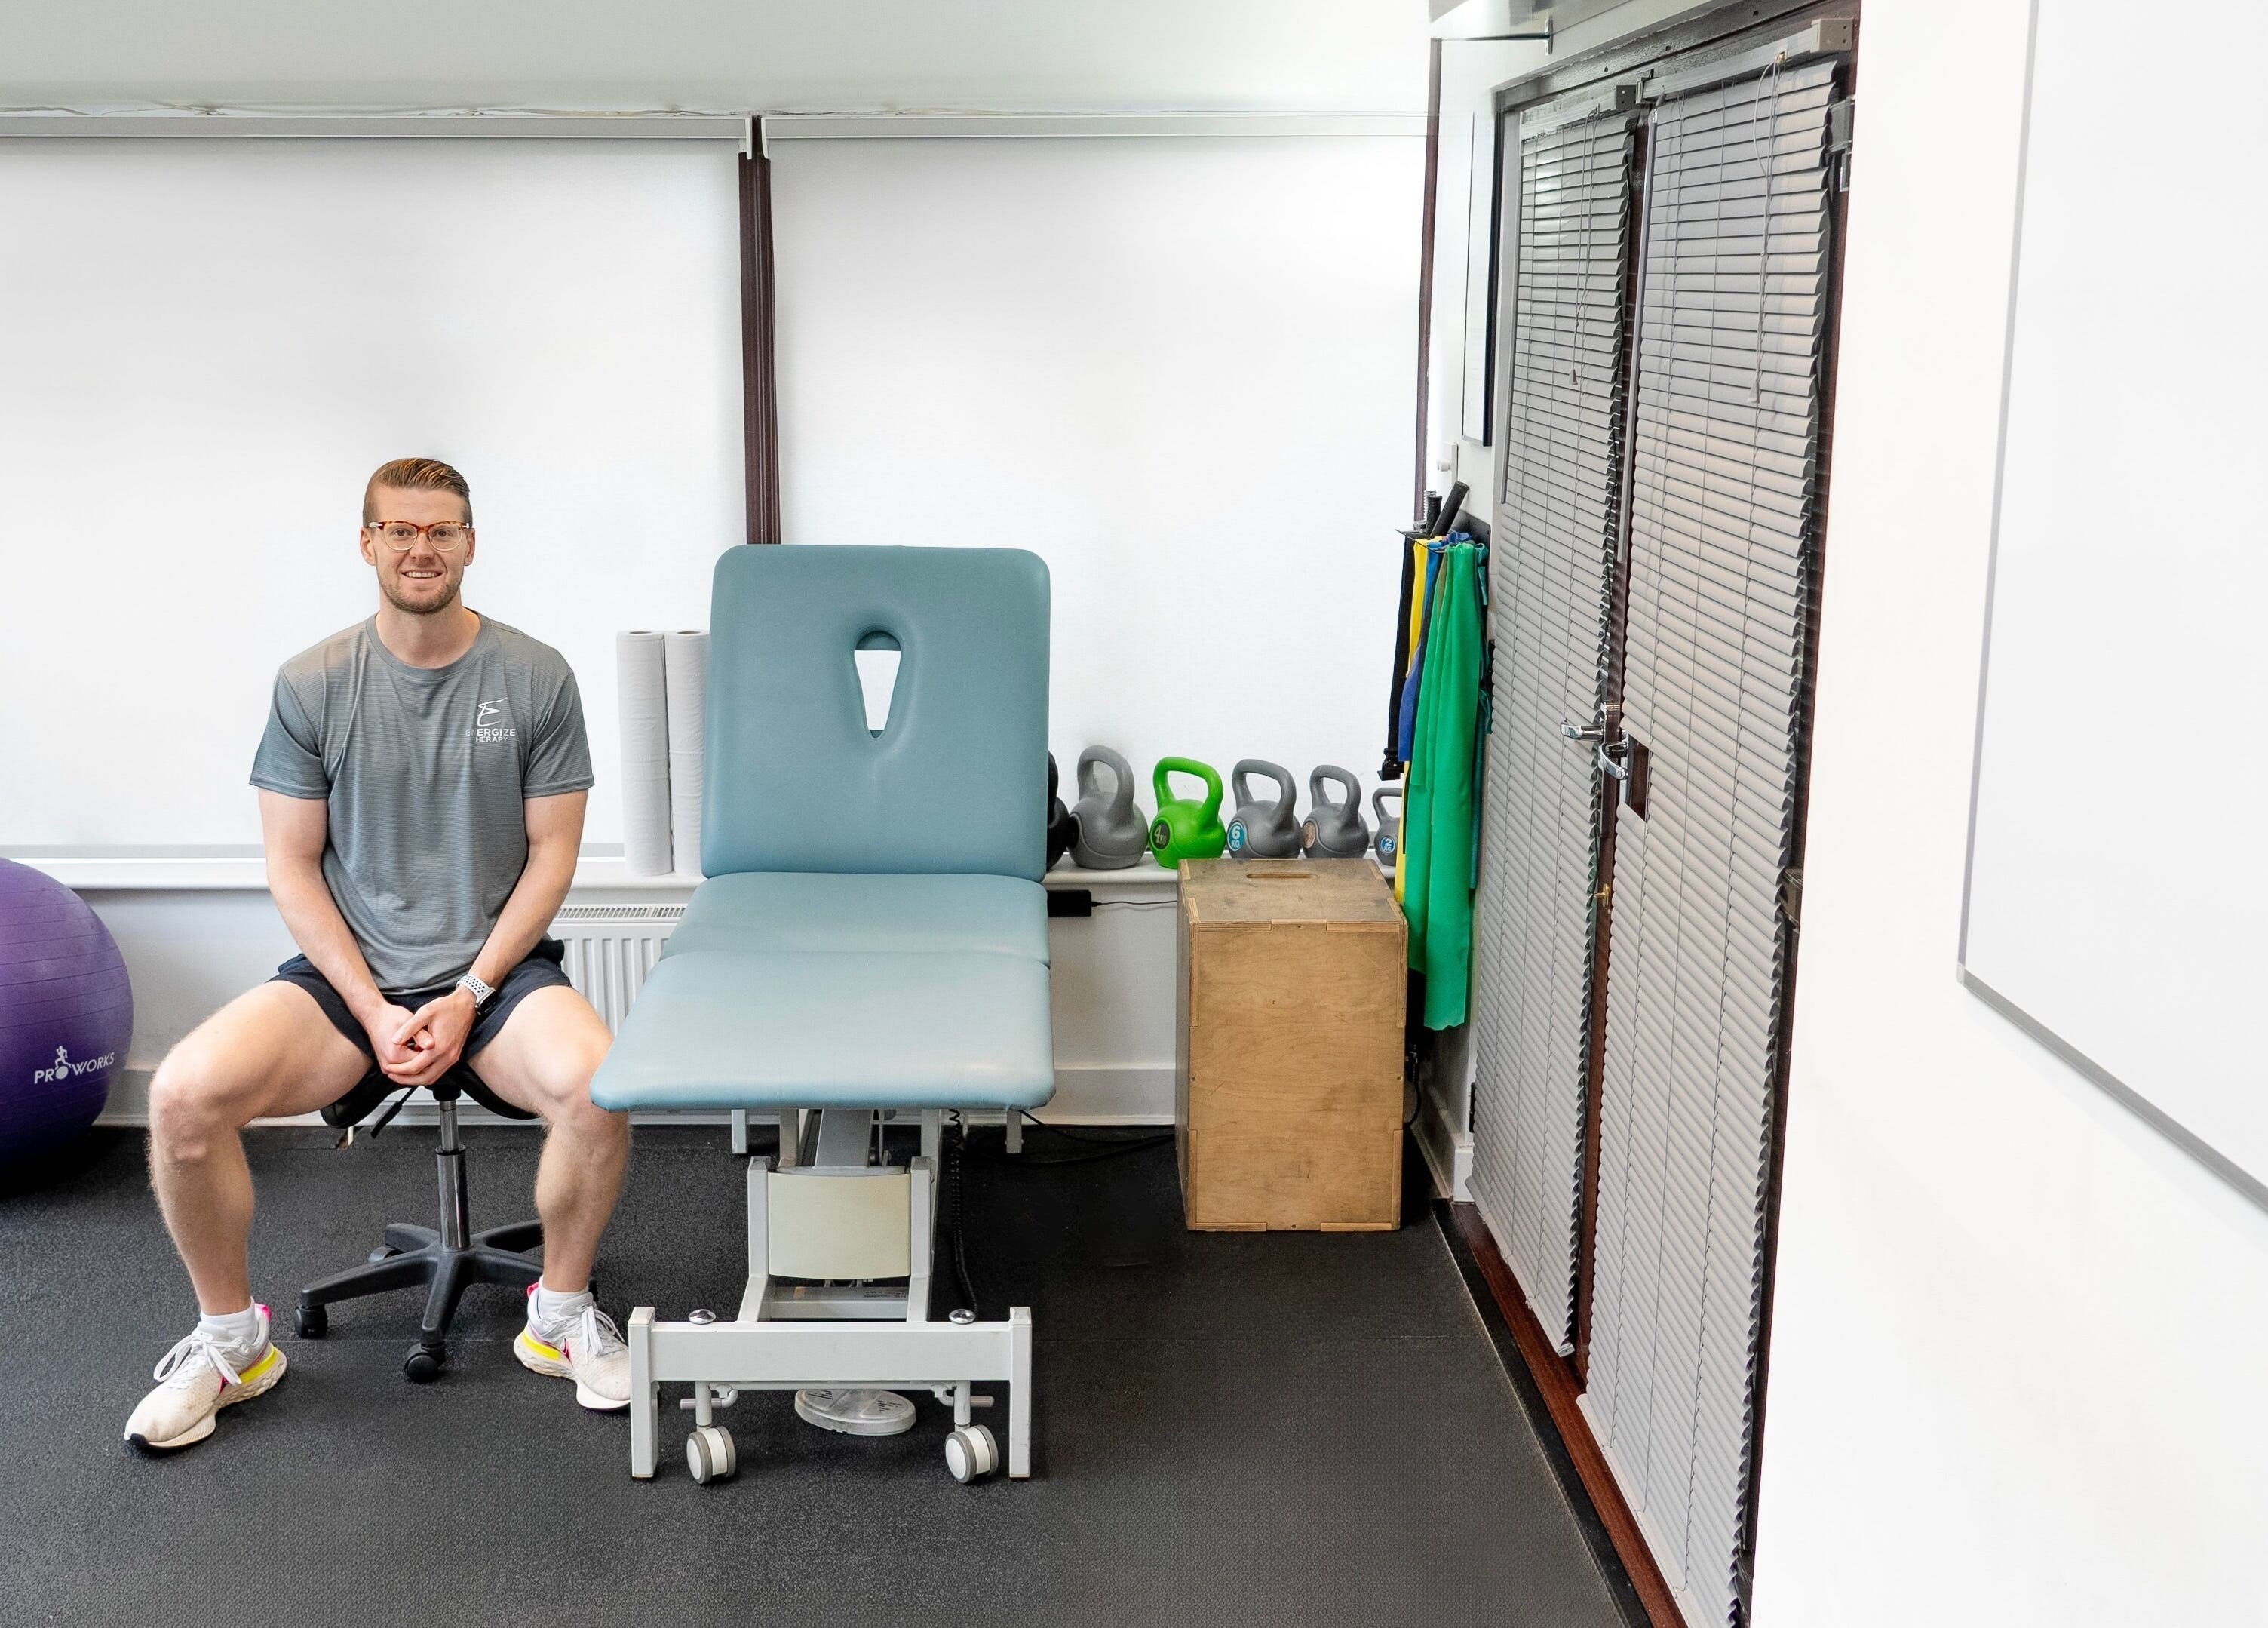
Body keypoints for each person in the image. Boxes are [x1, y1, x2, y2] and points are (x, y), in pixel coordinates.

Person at [125, 457, 632, 1453]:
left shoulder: (536, 676)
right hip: (350, 981)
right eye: (400, 530)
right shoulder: (313, 682)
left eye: (441, 530)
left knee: (600, 1087)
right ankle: (231, 1345)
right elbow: (293, 867)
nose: (422, 548)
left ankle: (559, 1316)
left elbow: (553, 855)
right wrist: (370, 1006)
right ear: (368, 543)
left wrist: (474, 988)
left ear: (471, 543)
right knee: (181, 1097)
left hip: (495, 977)